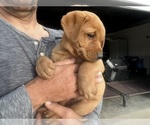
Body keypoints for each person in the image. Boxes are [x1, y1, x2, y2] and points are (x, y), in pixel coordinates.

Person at [0, 0, 105, 124]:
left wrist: (83, 122)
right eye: (91, 35)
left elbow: (93, 109)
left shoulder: (65, 39)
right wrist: (41, 92)